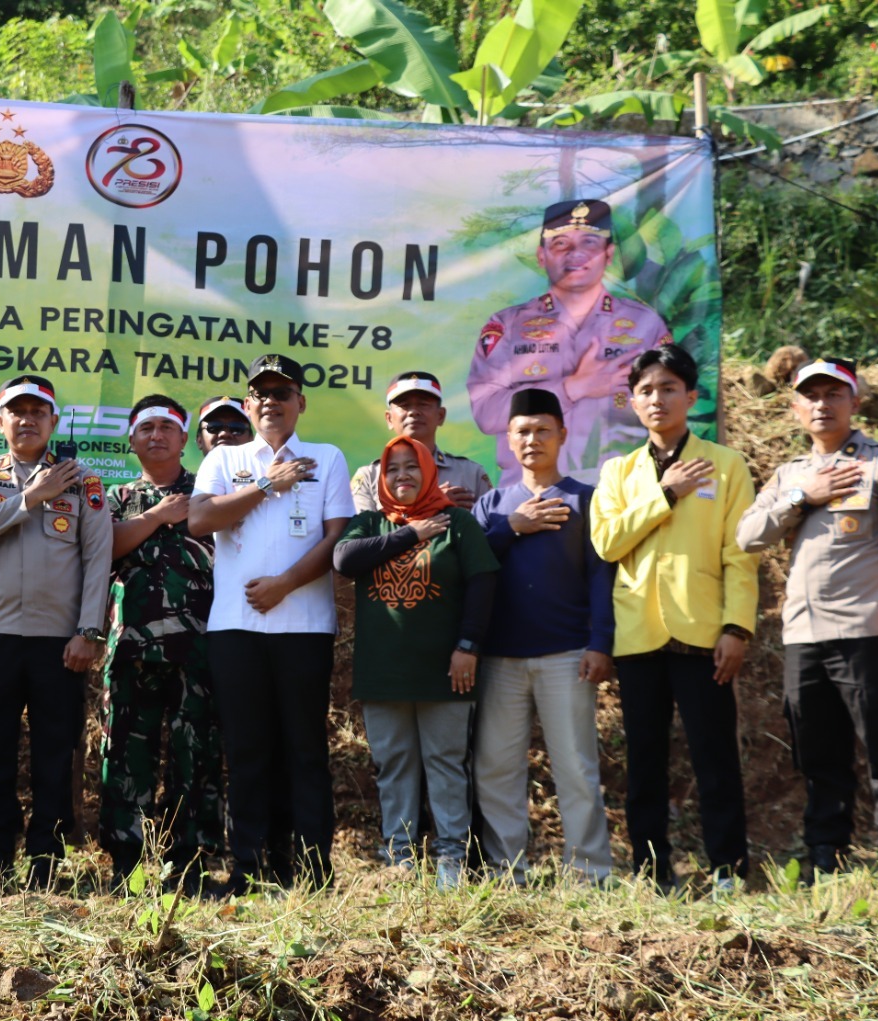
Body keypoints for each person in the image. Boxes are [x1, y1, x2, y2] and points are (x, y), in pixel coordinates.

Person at [736, 358, 878, 881]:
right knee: (817, 753)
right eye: (811, 396)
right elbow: (748, 535)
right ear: (796, 408)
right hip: (805, 636)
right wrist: (804, 497)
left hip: (869, 630)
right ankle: (828, 857)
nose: (822, 404)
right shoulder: (789, 473)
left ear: (855, 402)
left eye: (833, 394)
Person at [590, 344, 757, 892]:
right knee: (644, 761)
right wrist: (665, 493)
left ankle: (730, 870)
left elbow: (740, 554)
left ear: (690, 395)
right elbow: (608, 543)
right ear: (632, 403)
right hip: (639, 637)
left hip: (704, 634)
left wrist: (736, 628)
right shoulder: (617, 472)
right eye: (645, 391)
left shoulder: (726, 465)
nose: (657, 399)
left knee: (714, 757)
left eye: (668, 388)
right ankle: (651, 871)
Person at [189, 354, 355, 892]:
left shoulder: (326, 457)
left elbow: (336, 539)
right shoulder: (225, 459)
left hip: (305, 625)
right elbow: (199, 519)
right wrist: (266, 484)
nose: (271, 402)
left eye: (282, 393)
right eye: (260, 394)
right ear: (247, 404)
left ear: (300, 404)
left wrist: (285, 584)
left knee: (304, 749)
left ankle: (309, 870)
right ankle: (249, 868)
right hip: (235, 627)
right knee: (247, 748)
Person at [0, 375, 113, 893]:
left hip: (59, 642)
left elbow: (97, 560)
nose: (26, 420)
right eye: (15, 412)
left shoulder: (83, 479)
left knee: (53, 753)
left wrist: (89, 630)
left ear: (53, 421)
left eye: (37, 412)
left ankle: (45, 862)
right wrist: (30, 498)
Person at [333, 436, 498, 888]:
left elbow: (483, 586)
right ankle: (399, 861)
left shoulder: (458, 523)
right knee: (394, 765)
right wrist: (410, 533)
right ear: (381, 478)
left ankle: (451, 861)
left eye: (411, 467)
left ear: (429, 471)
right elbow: (344, 560)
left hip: (446, 669)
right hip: (384, 672)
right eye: (392, 468)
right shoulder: (369, 522)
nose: (402, 475)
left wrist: (469, 647)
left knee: (446, 762)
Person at [470, 388, 616, 884]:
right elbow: (473, 568)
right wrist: (513, 525)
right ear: (509, 440)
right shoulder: (492, 504)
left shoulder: (585, 499)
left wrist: (601, 643)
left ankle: (590, 875)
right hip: (499, 658)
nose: (532, 440)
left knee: (576, 767)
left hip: (568, 655)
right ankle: (507, 873)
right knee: (496, 768)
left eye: (542, 430)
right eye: (523, 432)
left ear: (562, 435)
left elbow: (601, 576)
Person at [100, 395, 222, 892]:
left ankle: (188, 867)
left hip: (200, 651)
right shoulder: (115, 497)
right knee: (126, 757)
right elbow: (103, 547)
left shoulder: (209, 492)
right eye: (145, 428)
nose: (156, 436)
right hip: (131, 649)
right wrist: (155, 516)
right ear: (131, 440)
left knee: (197, 757)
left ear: (184, 438)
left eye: (166, 428)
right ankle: (125, 867)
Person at [467, 199, 672, 484]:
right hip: (531, 500)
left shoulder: (645, 325)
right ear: (542, 256)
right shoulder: (508, 325)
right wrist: (572, 388)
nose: (576, 254)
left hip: (622, 496)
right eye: (561, 244)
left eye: (589, 242)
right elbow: (486, 413)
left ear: (608, 254)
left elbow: (672, 412)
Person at [351, 372, 492, 512]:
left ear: (441, 415)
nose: (413, 412)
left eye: (423, 404)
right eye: (405, 405)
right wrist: (435, 503)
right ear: (389, 418)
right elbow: (363, 533)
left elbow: (490, 529)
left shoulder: (471, 473)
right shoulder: (370, 477)